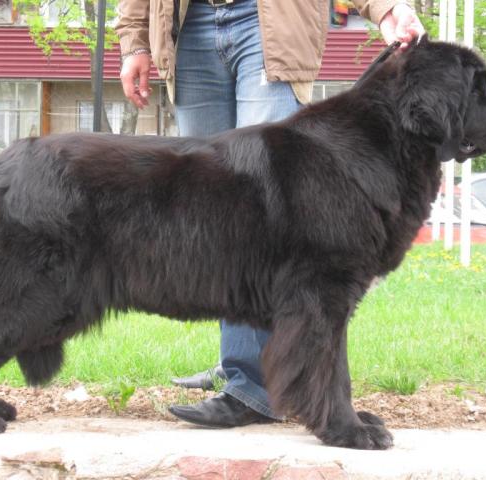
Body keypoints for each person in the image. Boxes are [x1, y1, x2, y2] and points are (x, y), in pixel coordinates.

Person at [116, 0, 424, 429]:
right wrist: (134, 43)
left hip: (267, 26)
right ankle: (244, 366)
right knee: (219, 216)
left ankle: (253, 387)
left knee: (266, 219)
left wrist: (387, 8)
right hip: (190, 28)